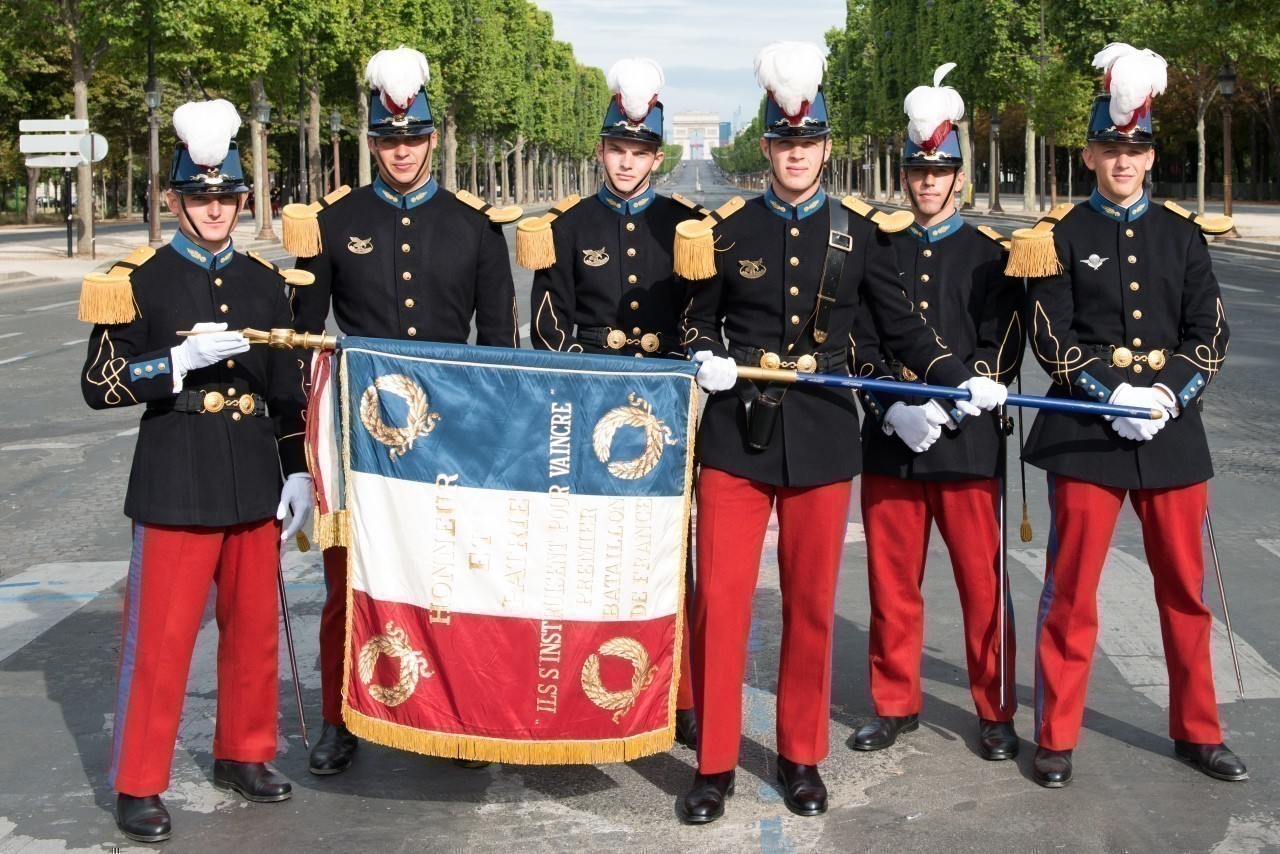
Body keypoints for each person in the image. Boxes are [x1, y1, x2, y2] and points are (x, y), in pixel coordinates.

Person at [677, 41, 1007, 824]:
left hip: (821, 437)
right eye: (784, 142)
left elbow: (903, 328)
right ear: (768, 147)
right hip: (735, 435)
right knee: (720, 602)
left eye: (809, 142)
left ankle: (800, 756)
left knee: (811, 607)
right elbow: (696, 319)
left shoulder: (860, 235)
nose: (797, 154)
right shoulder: (725, 231)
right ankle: (714, 763)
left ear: (825, 147)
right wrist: (704, 355)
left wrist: (957, 378)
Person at [79, 99, 313, 843]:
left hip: (251, 473)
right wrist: (175, 361)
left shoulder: (265, 280)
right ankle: (139, 781)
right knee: (160, 641)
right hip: (176, 476)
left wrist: (298, 471)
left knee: (253, 632)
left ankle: (244, 752)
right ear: (173, 199)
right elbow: (99, 384)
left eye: (228, 196)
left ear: (245, 198)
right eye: (200, 196)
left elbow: (286, 391)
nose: (215, 209)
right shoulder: (137, 279)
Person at [288, 45, 520, 776]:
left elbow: (500, 345)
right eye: (388, 140)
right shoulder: (332, 221)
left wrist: (494, 442)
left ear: (432, 137)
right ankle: (340, 719)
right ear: (371, 142)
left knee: (447, 580)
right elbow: (303, 340)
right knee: (346, 582)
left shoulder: (474, 225)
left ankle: (454, 717)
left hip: (451, 434)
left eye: (413, 138)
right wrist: (296, 448)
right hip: (359, 433)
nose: (402, 151)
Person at [1018, 43, 1244, 788]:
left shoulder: (1182, 234)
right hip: (1087, 431)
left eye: (1136, 150)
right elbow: (1050, 335)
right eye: (1111, 150)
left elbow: (1210, 331)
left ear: (1150, 156)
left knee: (1185, 594)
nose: (1124, 161)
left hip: (1171, 432)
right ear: (1089, 155)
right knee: (1070, 591)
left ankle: (1199, 731)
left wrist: (1167, 392)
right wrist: (1112, 393)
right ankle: (1056, 736)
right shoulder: (1058, 235)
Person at [518, 56, 700, 749]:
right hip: (590, 408)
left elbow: (698, 317)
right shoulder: (566, 225)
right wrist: (585, 392)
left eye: (640, 151)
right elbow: (549, 323)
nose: (627, 162)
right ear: (601, 150)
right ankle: (580, 688)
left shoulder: (686, 226)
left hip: (666, 410)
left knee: (669, 559)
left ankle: (682, 695)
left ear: (657, 156)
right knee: (590, 559)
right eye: (618, 149)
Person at [851, 64, 1024, 760]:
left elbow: (999, 348)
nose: (928, 183)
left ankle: (996, 709)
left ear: (959, 177)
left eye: (940, 172)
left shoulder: (991, 256)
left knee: (983, 585)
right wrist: (894, 405)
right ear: (904, 177)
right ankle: (894, 702)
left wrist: (947, 408)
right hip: (892, 437)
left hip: (966, 443)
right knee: (892, 585)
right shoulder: (878, 250)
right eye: (918, 172)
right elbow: (858, 342)